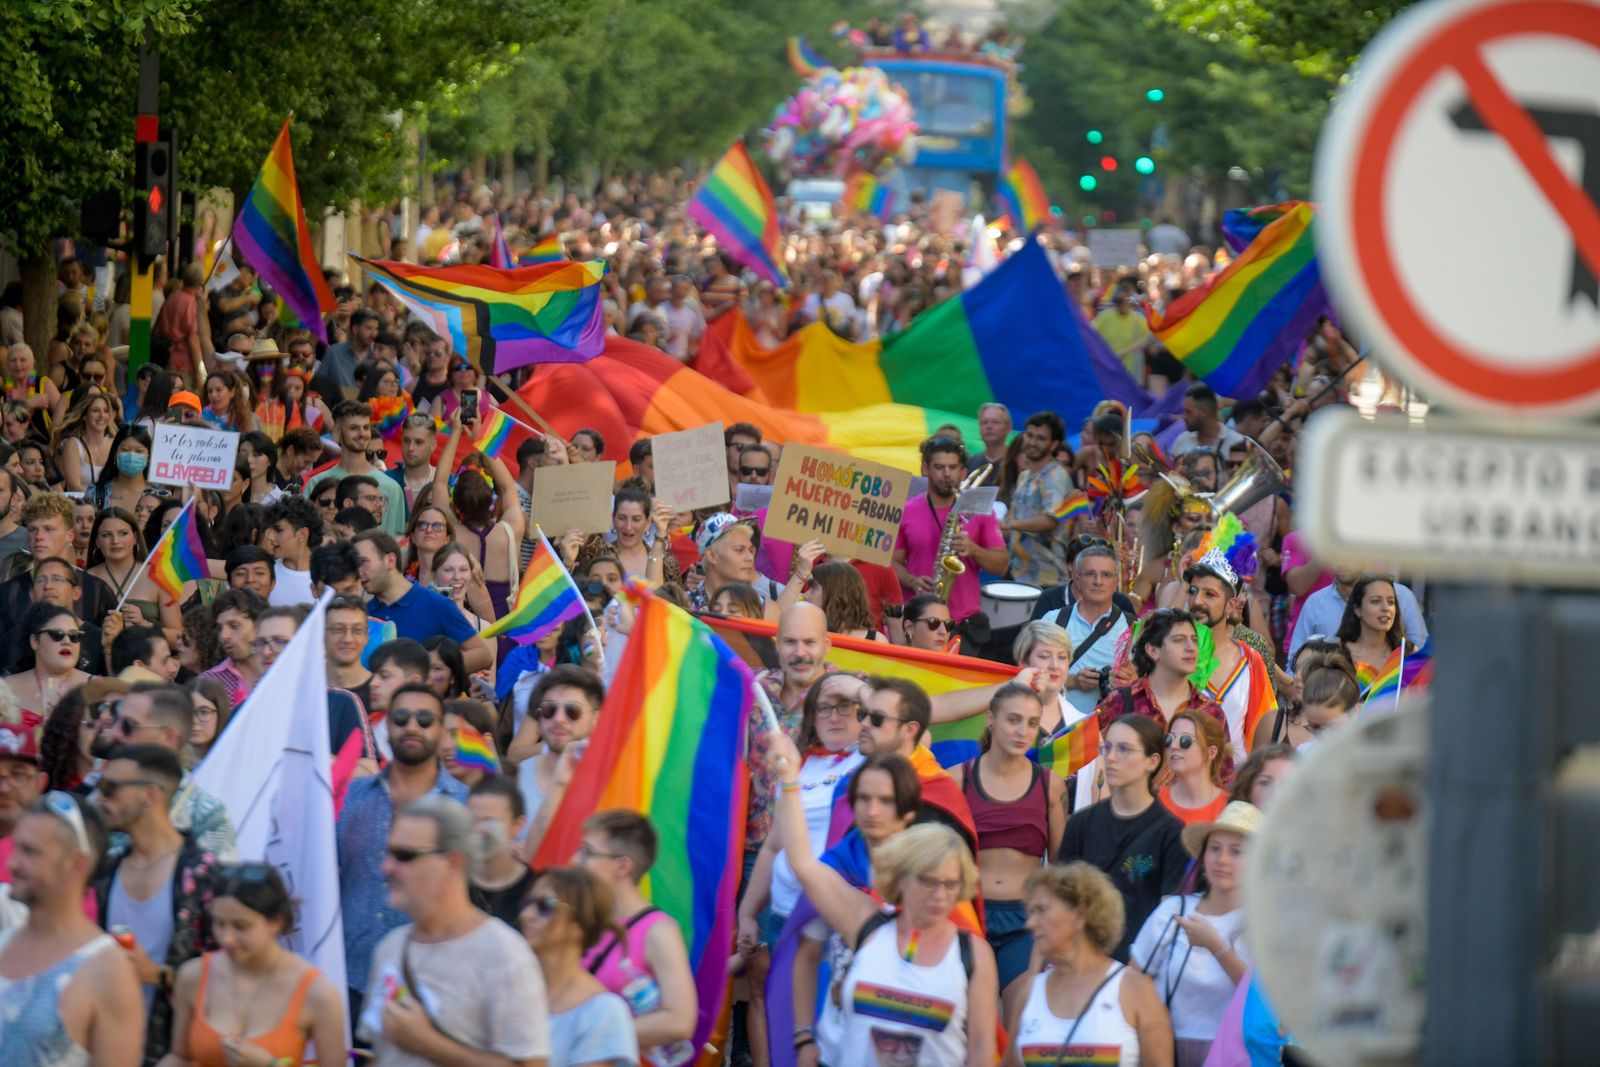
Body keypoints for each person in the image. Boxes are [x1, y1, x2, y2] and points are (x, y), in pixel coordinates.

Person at [768, 730, 999, 1066]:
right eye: (863, 798)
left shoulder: (972, 951)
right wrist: (790, 780)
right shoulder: (865, 918)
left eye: (950, 885)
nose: (939, 895)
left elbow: (980, 1048)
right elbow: (802, 864)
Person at [359, 794, 551, 1066]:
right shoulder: (390, 947)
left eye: (404, 855)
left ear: (453, 864)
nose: (387, 866)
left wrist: (428, 1043)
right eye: (389, 853)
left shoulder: (504, 955)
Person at [338, 683, 469, 1022]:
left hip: (430, 985)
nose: (412, 726)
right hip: (347, 979)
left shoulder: (465, 805)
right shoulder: (349, 798)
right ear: (386, 727)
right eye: (401, 718)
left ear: (442, 732)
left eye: (424, 720)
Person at [93, 744, 223, 1064]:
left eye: (110, 788)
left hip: (172, 1052)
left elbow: (229, 977)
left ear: (149, 794)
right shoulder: (105, 870)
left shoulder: (202, 874)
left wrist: (158, 975)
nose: (100, 798)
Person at [947, 683, 1067, 1019]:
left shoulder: (1050, 785)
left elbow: (1060, 869)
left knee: (1020, 1022)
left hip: (1025, 921)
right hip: (970, 914)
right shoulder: (956, 779)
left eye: (1032, 723)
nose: (1022, 731)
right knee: (972, 1022)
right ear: (991, 718)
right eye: (1013, 720)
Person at [0, 791, 146, 1065]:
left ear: (77, 864)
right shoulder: (5, 940)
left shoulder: (107, 972)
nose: (12, 863)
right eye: (16, 847)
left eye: (30, 852)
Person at [160, 863, 346, 1067]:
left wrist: (270, 1065)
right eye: (219, 923)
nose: (227, 938)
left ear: (276, 922)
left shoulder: (318, 994)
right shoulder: (193, 976)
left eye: (241, 926)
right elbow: (179, 1057)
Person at [1129, 801, 1258, 1067]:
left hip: (1234, 1054)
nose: (1222, 860)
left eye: (1236, 852)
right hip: (1164, 1049)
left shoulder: (1261, 925)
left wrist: (1216, 946)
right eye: (1214, 848)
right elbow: (1133, 979)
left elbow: (1263, 997)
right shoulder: (1174, 911)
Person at [1058, 714, 1194, 962]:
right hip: (1079, 960)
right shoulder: (1080, 824)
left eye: (1124, 749)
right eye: (1107, 747)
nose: (1110, 758)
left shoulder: (1171, 833)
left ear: (1152, 761)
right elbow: (1060, 898)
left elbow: (1169, 916)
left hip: (1137, 965)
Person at [1009, 861, 1174, 1067]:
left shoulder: (1135, 989)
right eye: (1030, 912)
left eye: (1041, 910)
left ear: (1080, 915)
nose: (1029, 923)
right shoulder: (1030, 992)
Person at [575, 809, 699, 1064]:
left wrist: (589, 1035)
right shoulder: (580, 918)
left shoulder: (659, 932)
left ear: (623, 866)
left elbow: (679, 1021)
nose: (575, 860)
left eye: (587, 852)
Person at [520, 866, 640, 1067]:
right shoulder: (508, 986)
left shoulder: (604, 1012)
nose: (526, 914)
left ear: (579, 926)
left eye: (545, 906)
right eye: (527, 903)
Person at [105, 684, 237, 860]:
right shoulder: (99, 792)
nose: (114, 733)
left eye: (128, 726)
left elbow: (215, 875)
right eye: (115, 720)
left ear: (168, 737)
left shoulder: (207, 817)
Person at [893, 435, 1007, 622]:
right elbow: (892, 563)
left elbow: (1001, 565)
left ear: (963, 472)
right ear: (925, 469)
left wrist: (974, 549)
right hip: (919, 619)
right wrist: (911, 580)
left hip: (965, 619)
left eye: (953, 468)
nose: (947, 474)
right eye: (939, 467)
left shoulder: (979, 508)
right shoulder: (907, 510)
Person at [354, 530, 493, 672]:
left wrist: (430, 670)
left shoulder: (437, 604)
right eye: (355, 565)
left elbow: (483, 655)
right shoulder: (363, 614)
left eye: (363, 562)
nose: (359, 572)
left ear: (390, 560)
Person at [1183, 546, 1277, 754]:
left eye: (1210, 594)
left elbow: (1264, 729)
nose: (1197, 601)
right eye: (1193, 591)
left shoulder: (1250, 660)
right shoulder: (1172, 654)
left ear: (1230, 605)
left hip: (1236, 773)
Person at [510, 665, 604, 847]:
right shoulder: (514, 778)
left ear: (597, 719)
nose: (559, 719)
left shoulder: (610, 783)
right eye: (549, 710)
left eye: (572, 711)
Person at [302, 401, 406, 537]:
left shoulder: (391, 487)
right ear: (338, 431)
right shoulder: (316, 483)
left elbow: (395, 541)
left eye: (366, 427)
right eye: (354, 428)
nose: (362, 434)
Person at [1287, 567, 1427, 662]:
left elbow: (1422, 668)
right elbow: (1296, 662)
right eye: (1375, 601)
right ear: (1357, 609)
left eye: (1391, 602)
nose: (1385, 608)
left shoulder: (1407, 653)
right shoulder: (1339, 657)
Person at [1002, 412, 1072, 587]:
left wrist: (1010, 524)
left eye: (1040, 438)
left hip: (1047, 579)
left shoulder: (1056, 476)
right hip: (1018, 574)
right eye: (1029, 435)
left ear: (1053, 444)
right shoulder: (1024, 476)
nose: (1032, 442)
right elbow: (1012, 524)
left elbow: (1050, 521)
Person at [466, 776, 538, 927]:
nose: (479, 830)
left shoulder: (535, 888)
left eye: (490, 821)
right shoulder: (453, 882)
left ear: (518, 825)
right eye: (473, 821)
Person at [5, 602, 93, 721]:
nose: (67, 641)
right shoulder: (5, 689)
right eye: (57, 634)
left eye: (74, 636)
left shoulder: (98, 687)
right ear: (34, 641)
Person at [198, 588, 269, 709]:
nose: (223, 636)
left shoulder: (283, 672)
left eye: (234, 626)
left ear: (259, 625)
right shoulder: (208, 682)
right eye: (219, 628)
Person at [1160, 710, 1229, 827]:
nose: (1173, 746)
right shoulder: (1154, 802)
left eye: (1185, 740)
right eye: (1169, 739)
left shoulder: (1230, 809)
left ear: (1211, 753)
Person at [261, 494, 321, 607]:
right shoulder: (266, 573)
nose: (270, 537)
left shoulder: (326, 576)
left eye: (278, 530)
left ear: (302, 534)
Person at [1171, 385, 1245, 458]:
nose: (1184, 416)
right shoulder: (1182, 441)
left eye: (1188, 412)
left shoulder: (1237, 443)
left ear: (1205, 411)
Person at [184, 676, 231, 763]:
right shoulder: (169, 760)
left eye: (204, 712)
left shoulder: (231, 760)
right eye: (188, 710)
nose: (194, 720)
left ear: (220, 714)